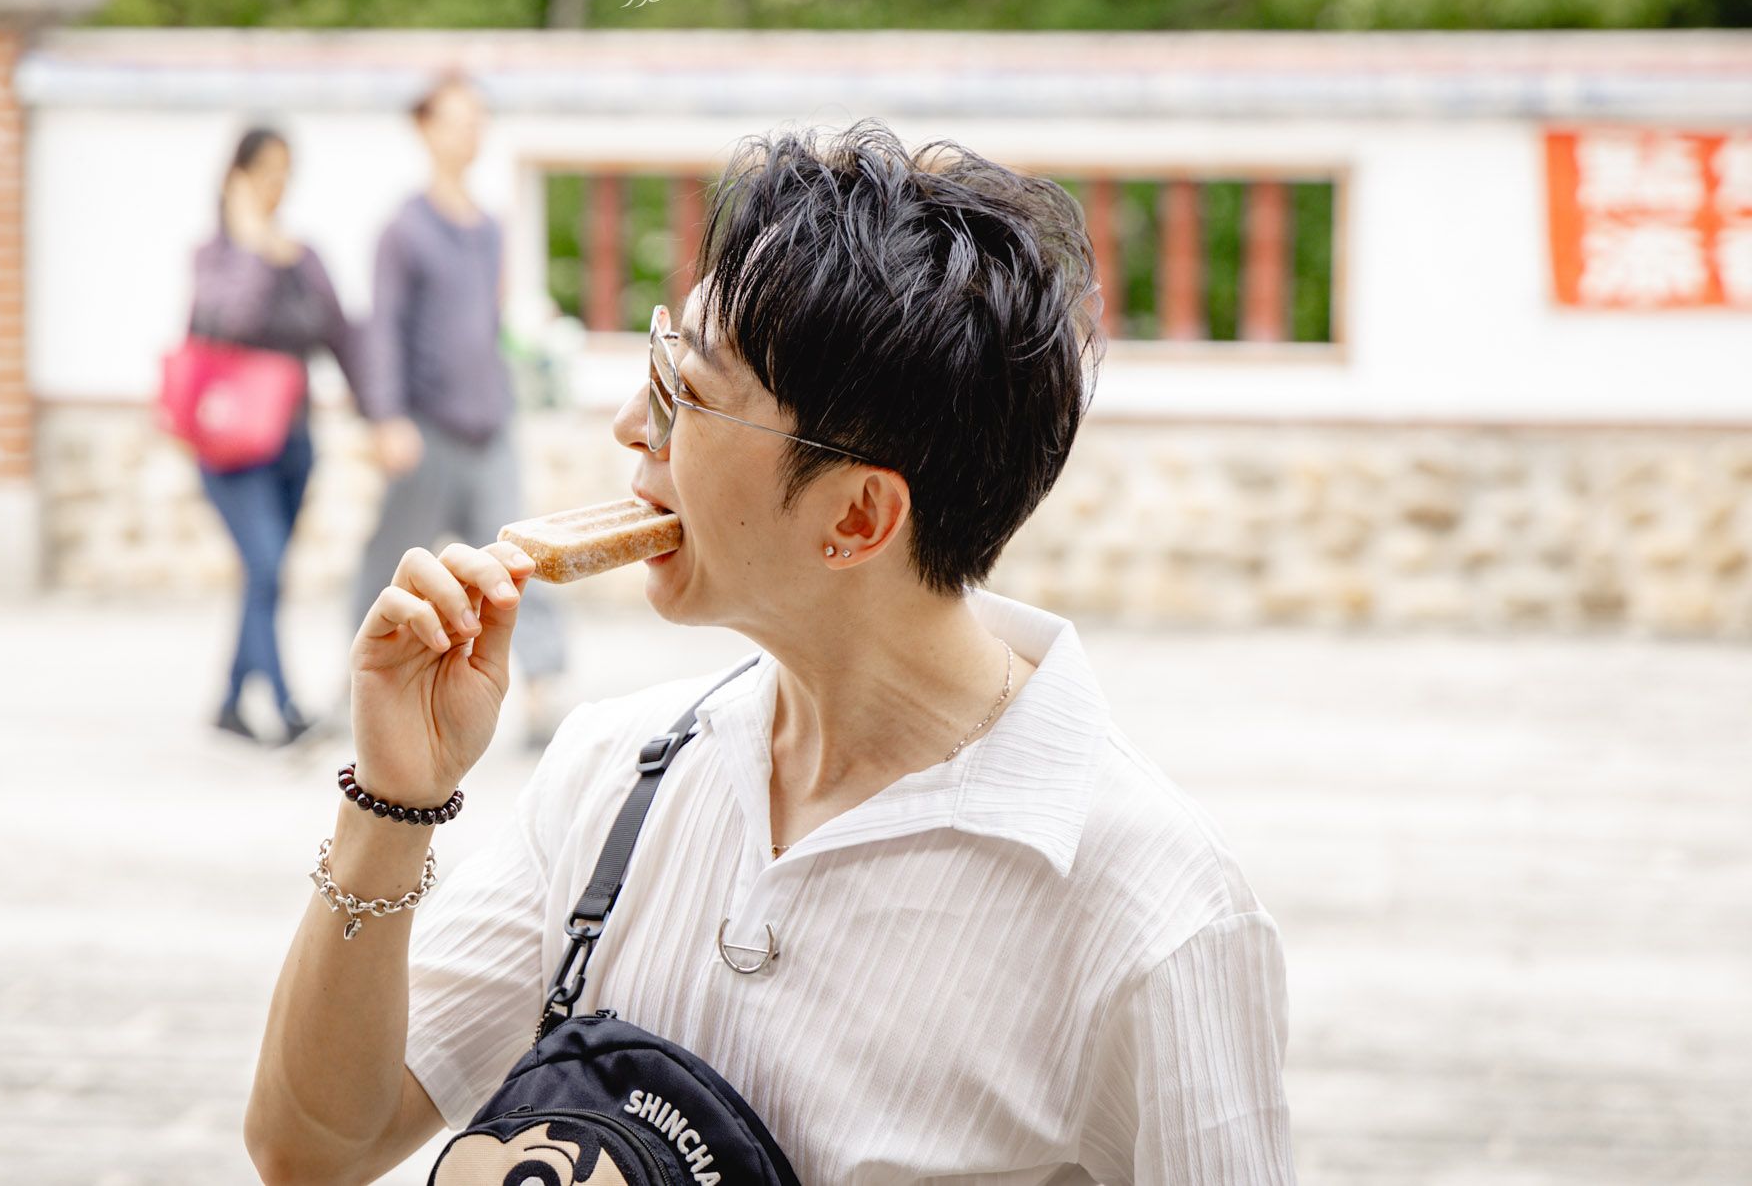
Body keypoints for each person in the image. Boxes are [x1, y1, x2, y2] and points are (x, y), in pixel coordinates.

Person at [247, 122, 1298, 1183]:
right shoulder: (616, 776)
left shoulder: (1156, 912)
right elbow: (313, 1146)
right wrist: (393, 801)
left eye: (687, 392)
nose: (630, 423)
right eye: (658, 358)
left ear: (857, 518)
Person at [349, 72, 569, 744]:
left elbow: (490, 323)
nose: (470, 133)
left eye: (477, 120)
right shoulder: (403, 230)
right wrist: (386, 417)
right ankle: (358, 681)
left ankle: (543, 692)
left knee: (521, 557)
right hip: (426, 427)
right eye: (456, 120)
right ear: (425, 129)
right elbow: (383, 328)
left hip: (490, 421)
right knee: (393, 560)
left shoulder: (491, 227)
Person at [191, 126, 386, 746]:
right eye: (265, 172)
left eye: (285, 172)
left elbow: (343, 338)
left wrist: (377, 416)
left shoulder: (304, 258)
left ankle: (229, 702)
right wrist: (252, 247)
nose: (277, 185)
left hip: (291, 443)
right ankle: (285, 706)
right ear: (236, 179)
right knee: (266, 566)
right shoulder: (215, 259)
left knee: (266, 574)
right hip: (230, 448)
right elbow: (230, 321)